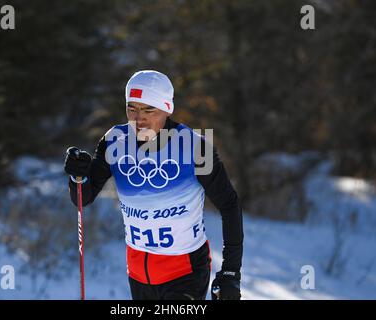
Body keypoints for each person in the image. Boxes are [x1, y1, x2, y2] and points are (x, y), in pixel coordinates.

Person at [64, 70, 243, 300]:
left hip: (185, 273)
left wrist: (230, 272)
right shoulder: (114, 141)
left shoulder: (194, 147)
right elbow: (83, 197)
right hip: (138, 274)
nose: (139, 119)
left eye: (149, 110)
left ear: (167, 108)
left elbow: (229, 204)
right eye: (132, 108)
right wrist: (77, 175)